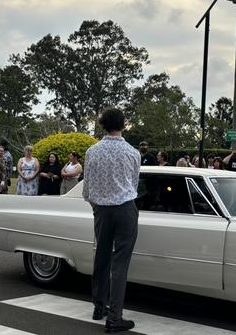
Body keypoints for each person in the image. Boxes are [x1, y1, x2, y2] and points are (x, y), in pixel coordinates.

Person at [82, 108, 140, 333]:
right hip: (125, 209)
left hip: (102, 210)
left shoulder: (92, 151)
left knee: (102, 257)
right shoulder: (132, 152)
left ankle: (99, 307)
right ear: (123, 125)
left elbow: (87, 187)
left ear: (103, 125)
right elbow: (133, 185)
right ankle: (115, 317)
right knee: (120, 263)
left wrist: (96, 205)